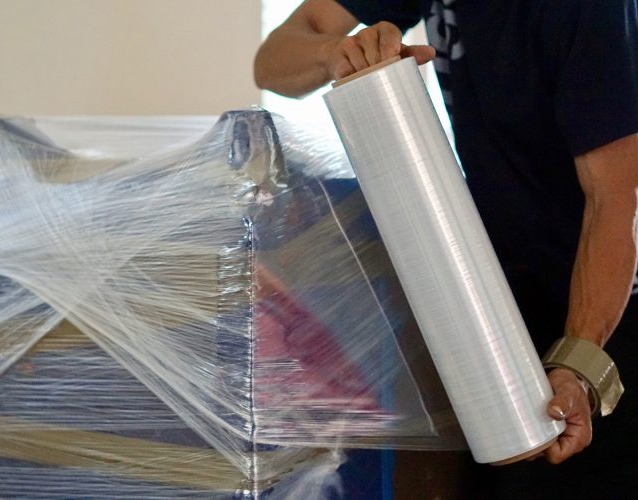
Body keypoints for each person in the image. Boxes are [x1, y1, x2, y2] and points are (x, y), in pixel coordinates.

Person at [255, 1, 638, 498]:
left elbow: (616, 202)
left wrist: (581, 364)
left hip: (604, 299)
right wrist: (337, 53)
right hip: (497, 295)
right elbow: (274, 59)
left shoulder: (587, 12)